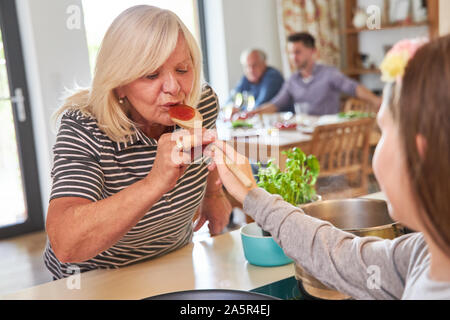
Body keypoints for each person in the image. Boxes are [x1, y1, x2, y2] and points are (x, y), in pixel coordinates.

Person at [207, 35, 450, 299]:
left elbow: (337, 257)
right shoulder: (419, 254)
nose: (294, 57)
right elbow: (336, 254)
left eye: (383, 130)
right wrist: (251, 194)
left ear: (418, 154)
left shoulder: (419, 258)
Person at [44, 5, 231, 279]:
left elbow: (208, 151)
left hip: (173, 264)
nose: (174, 87)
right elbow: (66, 243)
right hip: (97, 280)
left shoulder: (201, 104)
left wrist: (214, 194)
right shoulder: (84, 127)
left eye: (182, 69)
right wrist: (154, 183)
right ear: (119, 84)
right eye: (152, 75)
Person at [253, 32, 381, 116]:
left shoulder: (329, 74)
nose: (293, 57)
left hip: (328, 135)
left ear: (313, 51)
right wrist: (253, 113)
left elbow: (354, 88)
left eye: (297, 52)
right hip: (303, 134)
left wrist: (376, 101)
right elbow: (276, 104)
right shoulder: (292, 80)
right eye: (291, 53)